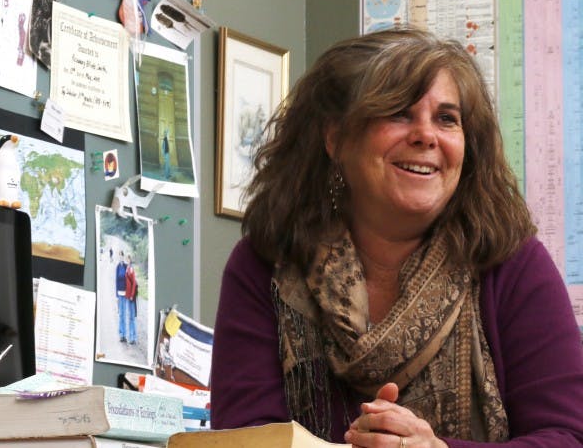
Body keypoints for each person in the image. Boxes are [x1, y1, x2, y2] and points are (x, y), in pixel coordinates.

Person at [210, 28, 583, 446]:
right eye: (399, 113)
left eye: (446, 118)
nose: (426, 135)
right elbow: (241, 440)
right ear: (336, 138)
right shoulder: (265, 264)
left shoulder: (512, 264)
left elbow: (568, 438)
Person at [124, 254, 138, 345]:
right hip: (128, 296)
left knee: (132, 318)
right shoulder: (127, 268)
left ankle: (133, 338)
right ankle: (131, 337)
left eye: (128, 259)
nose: (127, 260)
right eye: (127, 259)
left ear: (130, 260)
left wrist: (132, 295)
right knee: (130, 317)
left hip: (131, 297)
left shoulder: (131, 269)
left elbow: (133, 283)